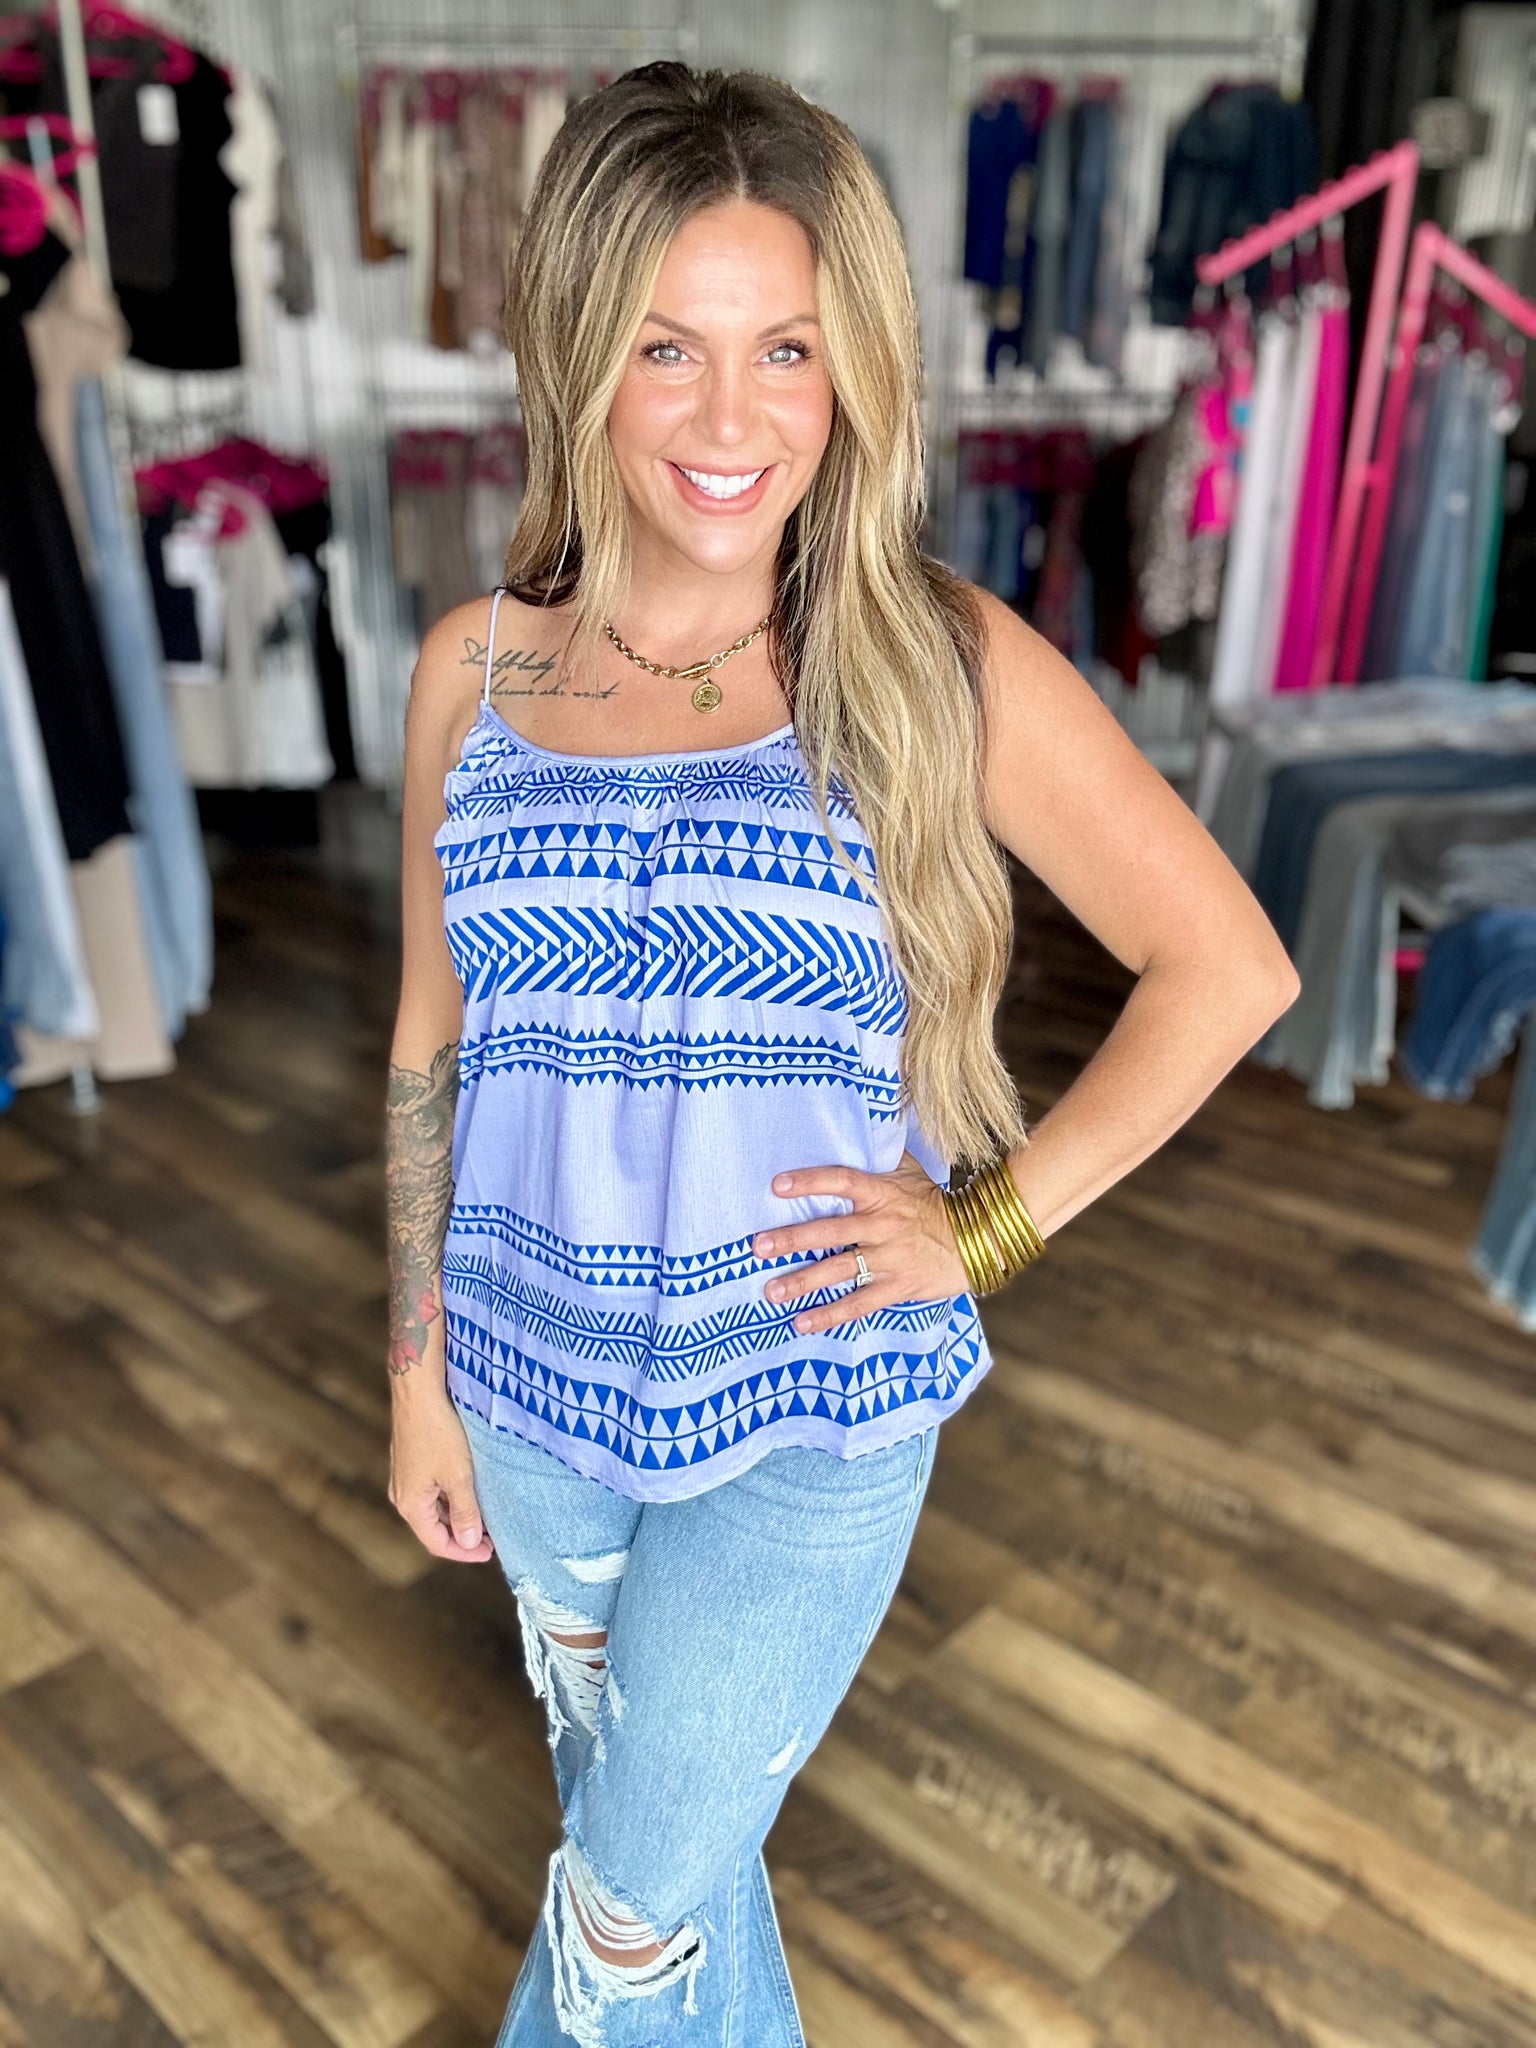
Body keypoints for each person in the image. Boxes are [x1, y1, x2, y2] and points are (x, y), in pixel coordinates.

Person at [383, 61, 1299, 2048]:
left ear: (850, 367)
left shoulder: (929, 658)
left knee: (622, 1924)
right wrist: (413, 1372)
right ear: (579, 356)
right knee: (673, 1862)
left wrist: (985, 1230)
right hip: (527, 1391)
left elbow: (1226, 965)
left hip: (810, 1396)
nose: (733, 419)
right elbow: (429, 1041)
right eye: (668, 346)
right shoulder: (474, 669)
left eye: (785, 347)